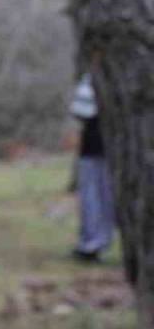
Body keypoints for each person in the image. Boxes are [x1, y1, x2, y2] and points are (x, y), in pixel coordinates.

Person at [69, 73, 113, 262]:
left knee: (95, 197)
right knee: (98, 197)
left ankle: (93, 243)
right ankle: (94, 242)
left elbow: (80, 110)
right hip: (97, 149)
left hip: (97, 150)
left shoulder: (98, 77)